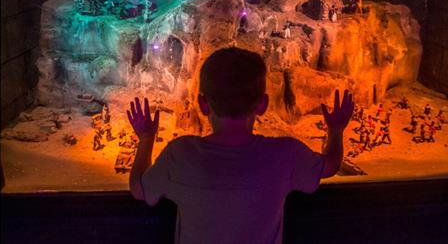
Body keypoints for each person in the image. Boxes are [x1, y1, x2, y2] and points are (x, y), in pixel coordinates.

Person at [126, 47, 354, 244]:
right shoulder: (285, 153)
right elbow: (331, 165)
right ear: (263, 104)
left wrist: (146, 139)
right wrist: (336, 129)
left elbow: (139, 189)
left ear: (203, 105)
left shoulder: (180, 154)